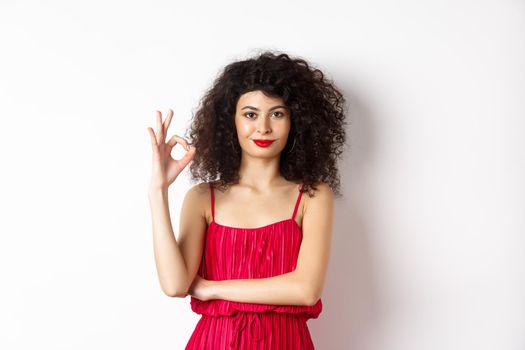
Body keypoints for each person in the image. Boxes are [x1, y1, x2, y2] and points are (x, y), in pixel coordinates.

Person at [147, 51, 347, 349]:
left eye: (277, 113)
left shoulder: (312, 196)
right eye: (250, 114)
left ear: (296, 122)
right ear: (232, 121)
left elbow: (306, 290)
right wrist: (158, 190)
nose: (263, 127)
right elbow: (176, 285)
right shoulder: (203, 198)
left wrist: (212, 288)